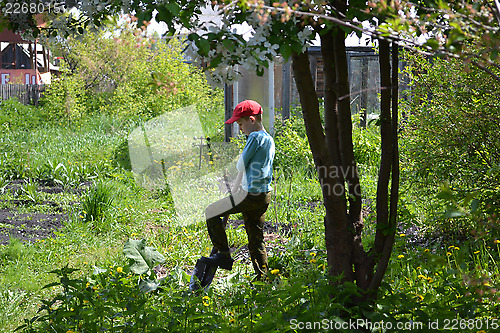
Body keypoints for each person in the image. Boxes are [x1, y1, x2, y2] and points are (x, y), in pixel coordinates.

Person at [204, 100, 275, 278]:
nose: (240, 129)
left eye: (241, 124)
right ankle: (263, 278)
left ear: (252, 120)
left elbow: (241, 164)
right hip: (263, 195)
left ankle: (223, 255)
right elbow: (249, 169)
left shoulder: (255, 137)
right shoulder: (269, 139)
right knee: (256, 240)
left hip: (250, 195)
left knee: (211, 211)